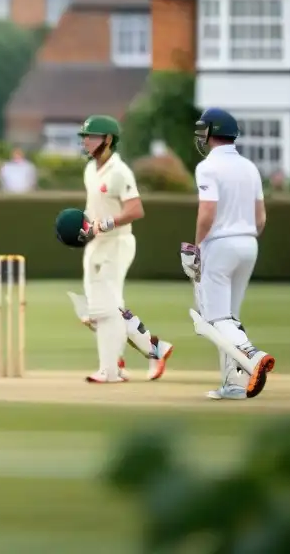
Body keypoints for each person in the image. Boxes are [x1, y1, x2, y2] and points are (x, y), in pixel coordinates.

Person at [72, 115, 173, 384]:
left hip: (117, 244)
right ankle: (152, 350)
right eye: (84, 136)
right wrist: (81, 227)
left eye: (90, 136)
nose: (85, 141)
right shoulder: (90, 170)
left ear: (107, 139)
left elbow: (135, 209)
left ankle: (111, 370)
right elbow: (91, 208)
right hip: (96, 245)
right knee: (94, 312)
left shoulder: (119, 171)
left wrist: (103, 225)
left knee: (106, 310)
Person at [183, 107, 275, 400]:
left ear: (210, 133)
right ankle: (234, 384)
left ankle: (252, 354)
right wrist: (244, 234)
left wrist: (196, 247)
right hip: (249, 243)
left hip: (220, 244)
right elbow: (261, 218)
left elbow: (207, 213)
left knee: (215, 318)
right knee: (229, 317)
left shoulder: (208, 167)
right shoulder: (249, 167)